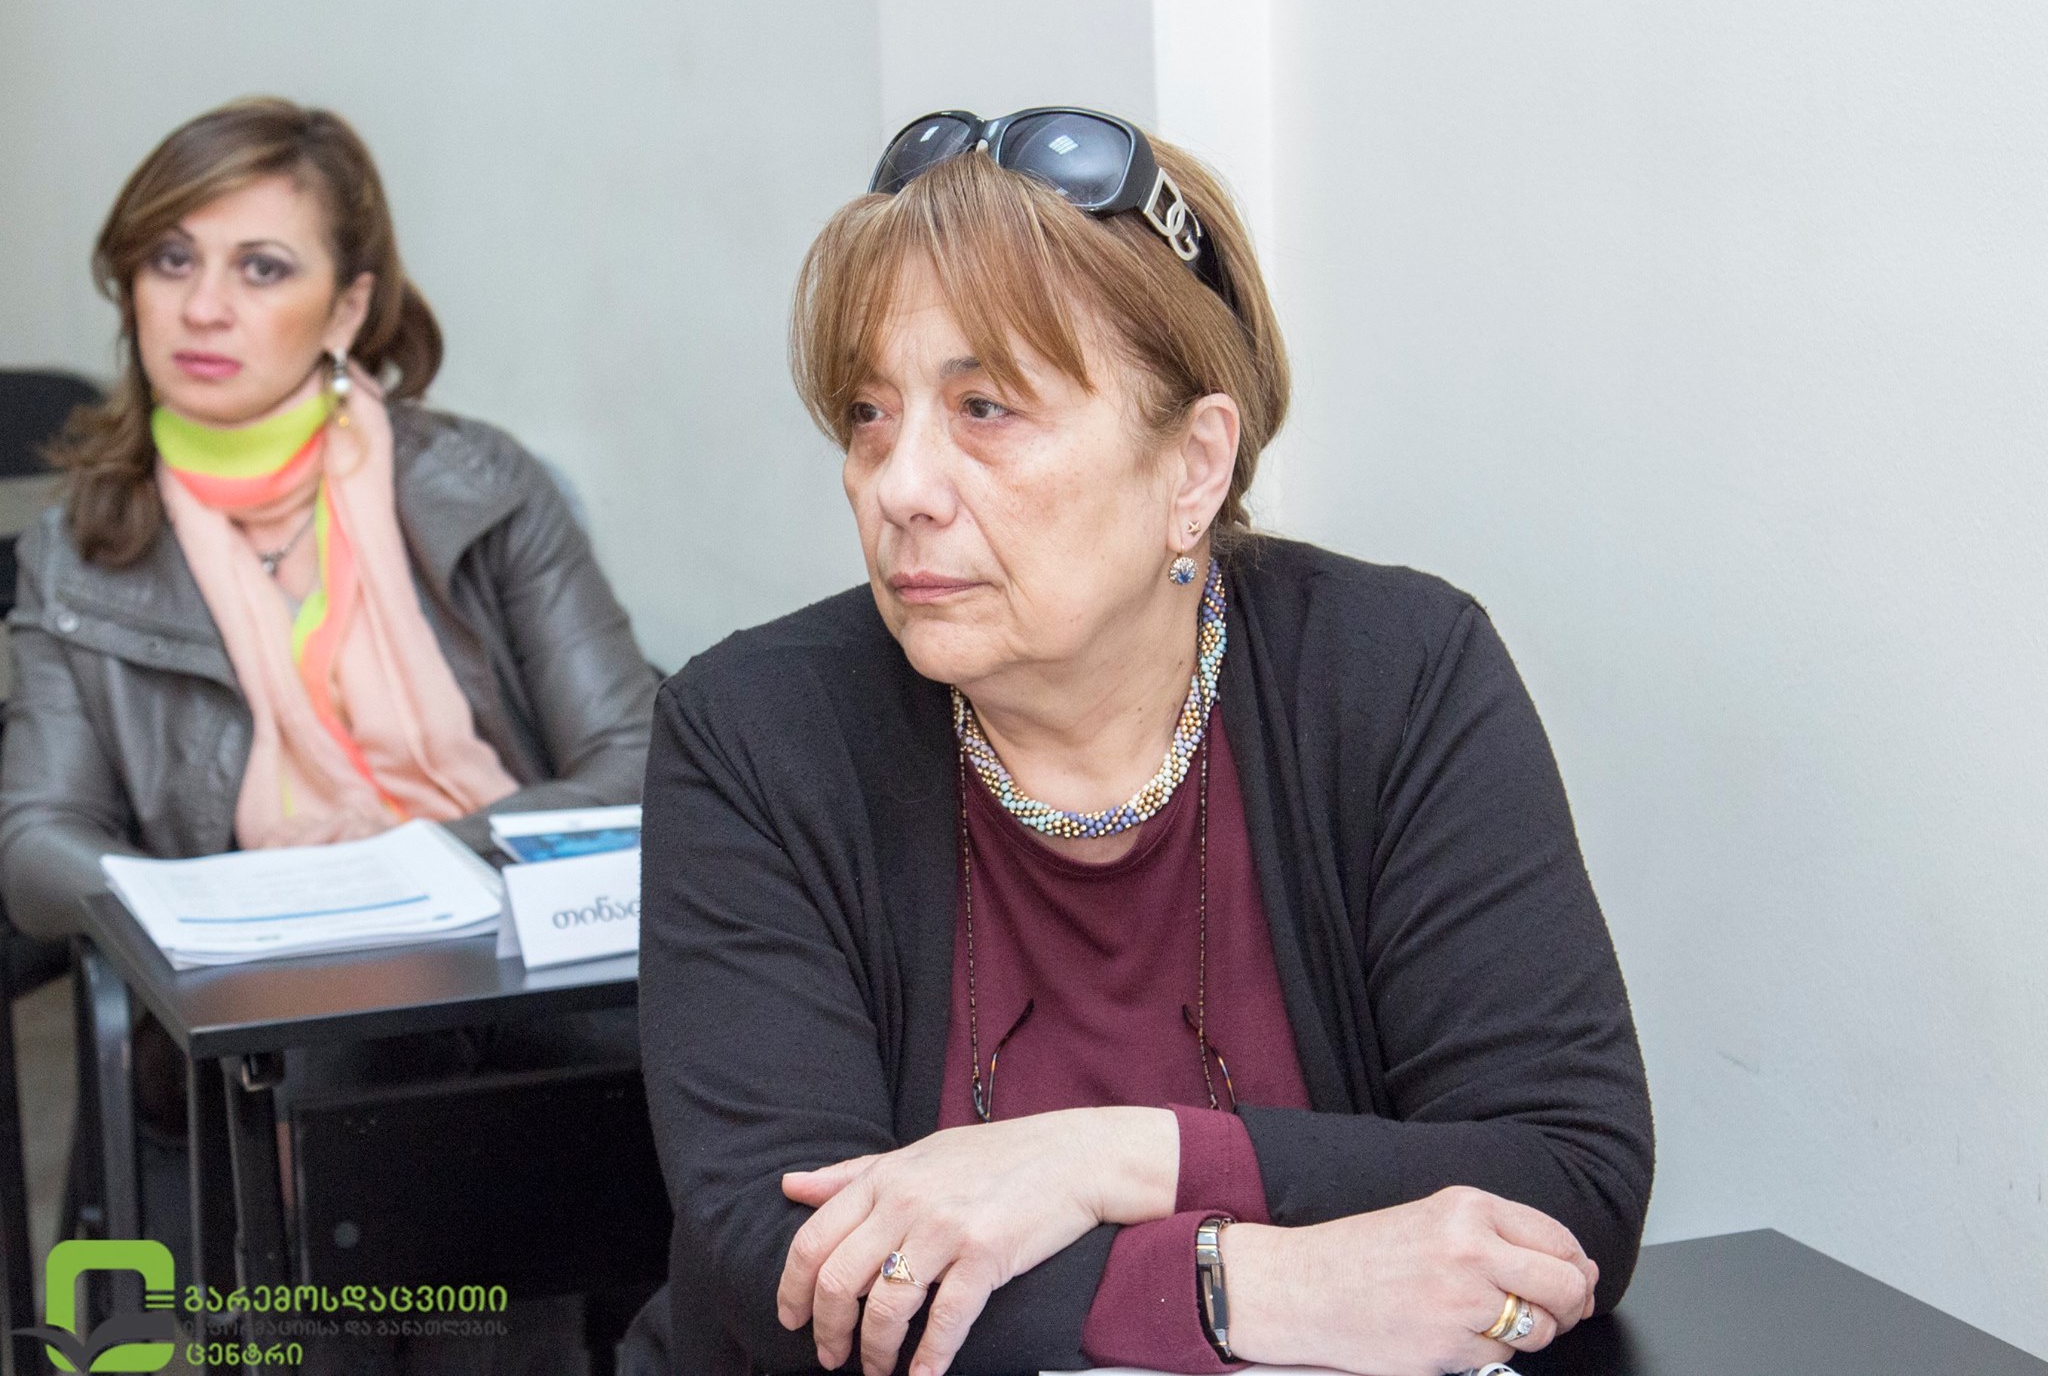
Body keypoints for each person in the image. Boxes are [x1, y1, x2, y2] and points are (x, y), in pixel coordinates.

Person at [634, 107, 1655, 1376]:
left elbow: (1566, 1182)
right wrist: (1243, 1286)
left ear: (1192, 467)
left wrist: (1103, 1157)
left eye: (984, 408)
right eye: (868, 414)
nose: (898, 486)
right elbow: (787, 1271)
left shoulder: (1395, 672)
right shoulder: (753, 730)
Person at [0, 97, 655, 1371]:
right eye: (171, 259)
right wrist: (243, 905)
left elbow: (632, 758)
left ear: (347, 308)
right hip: (261, 998)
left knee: (599, 1056)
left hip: (512, 945)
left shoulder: (484, 485)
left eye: (261, 268)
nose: (203, 307)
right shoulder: (80, 550)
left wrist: (405, 869)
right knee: (358, 1043)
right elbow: (35, 844)